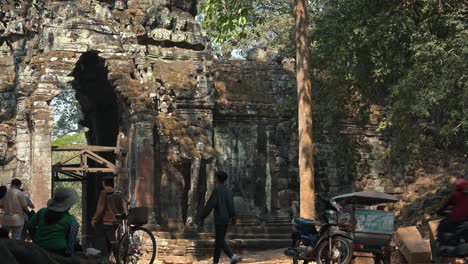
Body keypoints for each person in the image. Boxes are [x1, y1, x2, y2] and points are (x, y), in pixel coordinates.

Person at [199, 171, 241, 264]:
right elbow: (231, 205)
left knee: (219, 240)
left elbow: (211, 204)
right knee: (219, 241)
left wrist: (201, 217)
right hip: (226, 219)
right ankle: (215, 261)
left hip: (219, 219)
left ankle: (232, 256)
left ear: (217, 178)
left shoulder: (217, 190)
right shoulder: (228, 191)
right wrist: (233, 217)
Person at [27, 187, 80, 257]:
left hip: (39, 248)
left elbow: (30, 225)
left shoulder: (42, 212)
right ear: (68, 204)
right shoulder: (70, 219)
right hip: (59, 251)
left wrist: (35, 238)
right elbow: (71, 240)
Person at [91, 177, 128, 258]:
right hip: (118, 221)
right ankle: (110, 258)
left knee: (111, 242)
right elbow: (122, 208)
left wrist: (94, 219)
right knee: (110, 241)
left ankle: (118, 258)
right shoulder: (118, 193)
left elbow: (100, 208)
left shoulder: (104, 193)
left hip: (108, 221)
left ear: (104, 183)